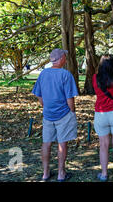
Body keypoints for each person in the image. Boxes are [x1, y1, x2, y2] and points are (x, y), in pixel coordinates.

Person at [32, 49, 78, 182]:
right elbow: (70, 98)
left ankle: (45, 173)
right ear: (62, 58)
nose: (66, 59)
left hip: (48, 115)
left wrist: (46, 107)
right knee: (62, 143)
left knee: (46, 143)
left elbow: (39, 95)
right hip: (63, 114)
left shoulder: (43, 73)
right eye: (65, 56)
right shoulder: (66, 74)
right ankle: (61, 174)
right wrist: (72, 112)